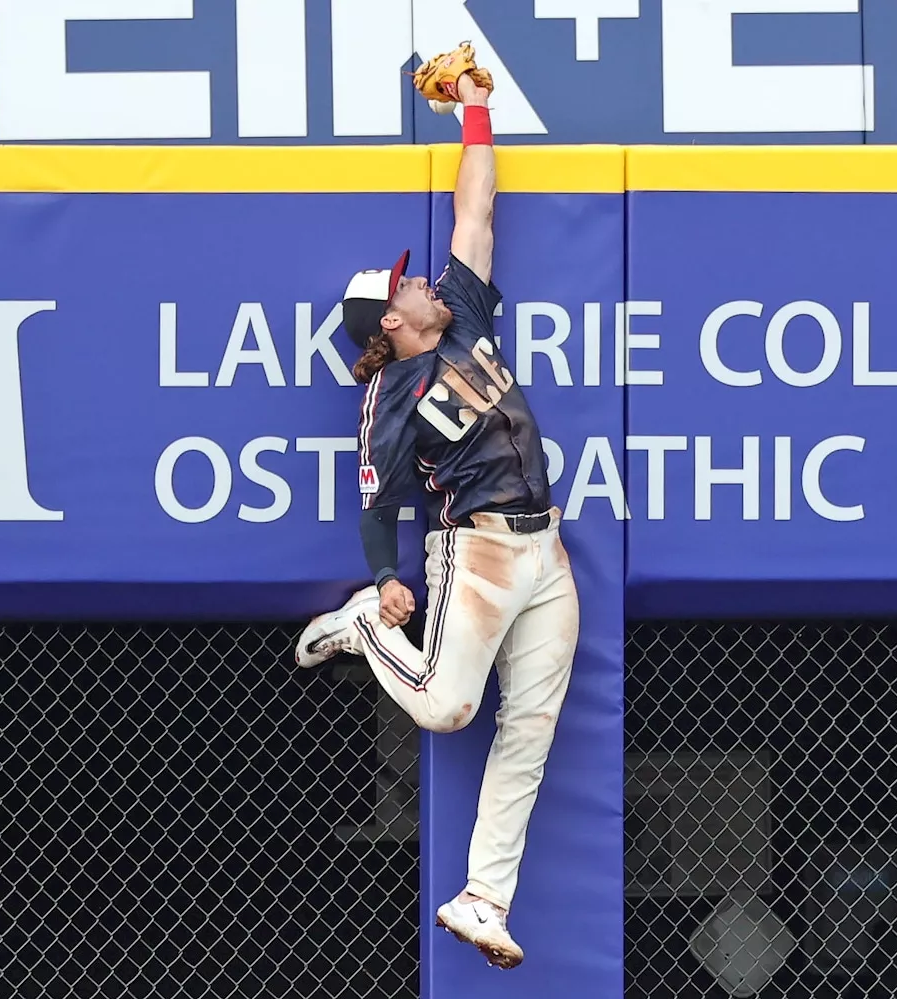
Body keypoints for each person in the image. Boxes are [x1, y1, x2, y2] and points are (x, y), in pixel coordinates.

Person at [292, 62, 580, 971]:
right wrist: (382, 580)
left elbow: (476, 213)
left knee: (529, 729)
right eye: (406, 287)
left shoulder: (459, 314)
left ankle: (483, 895)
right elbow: (377, 505)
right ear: (395, 321)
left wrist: (478, 115)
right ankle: (357, 628)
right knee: (452, 710)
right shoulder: (389, 393)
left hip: (548, 547)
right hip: (479, 551)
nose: (422, 283)